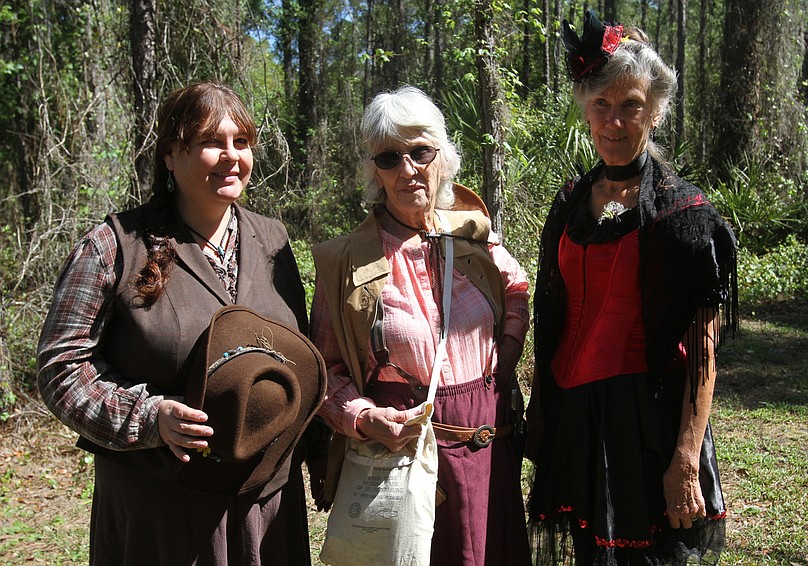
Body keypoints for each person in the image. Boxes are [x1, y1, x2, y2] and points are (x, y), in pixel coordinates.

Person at [37, 82, 326, 565]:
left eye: (243, 141)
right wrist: (151, 418)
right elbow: (61, 367)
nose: (232, 156)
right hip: (161, 511)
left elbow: (299, 353)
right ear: (171, 155)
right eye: (213, 142)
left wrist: (317, 450)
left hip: (267, 506)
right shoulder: (115, 245)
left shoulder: (273, 240)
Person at [526, 11, 737, 565]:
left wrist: (686, 457)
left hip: (645, 422)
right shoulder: (570, 201)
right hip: (577, 414)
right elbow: (556, 314)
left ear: (656, 111)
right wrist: (542, 411)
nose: (613, 121)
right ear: (585, 110)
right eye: (601, 105)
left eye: (630, 105)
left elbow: (704, 353)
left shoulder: (682, 212)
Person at [311, 85, 533, 565]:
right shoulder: (344, 263)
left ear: (442, 156)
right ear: (375, 170)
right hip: (402, 457)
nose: (408, 169)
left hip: (489, 452)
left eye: (420, 152)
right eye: (390, 158)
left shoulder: (473, 234)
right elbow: (323, 370)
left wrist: (506, 356)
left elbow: (517, 288)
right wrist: (364, 418)